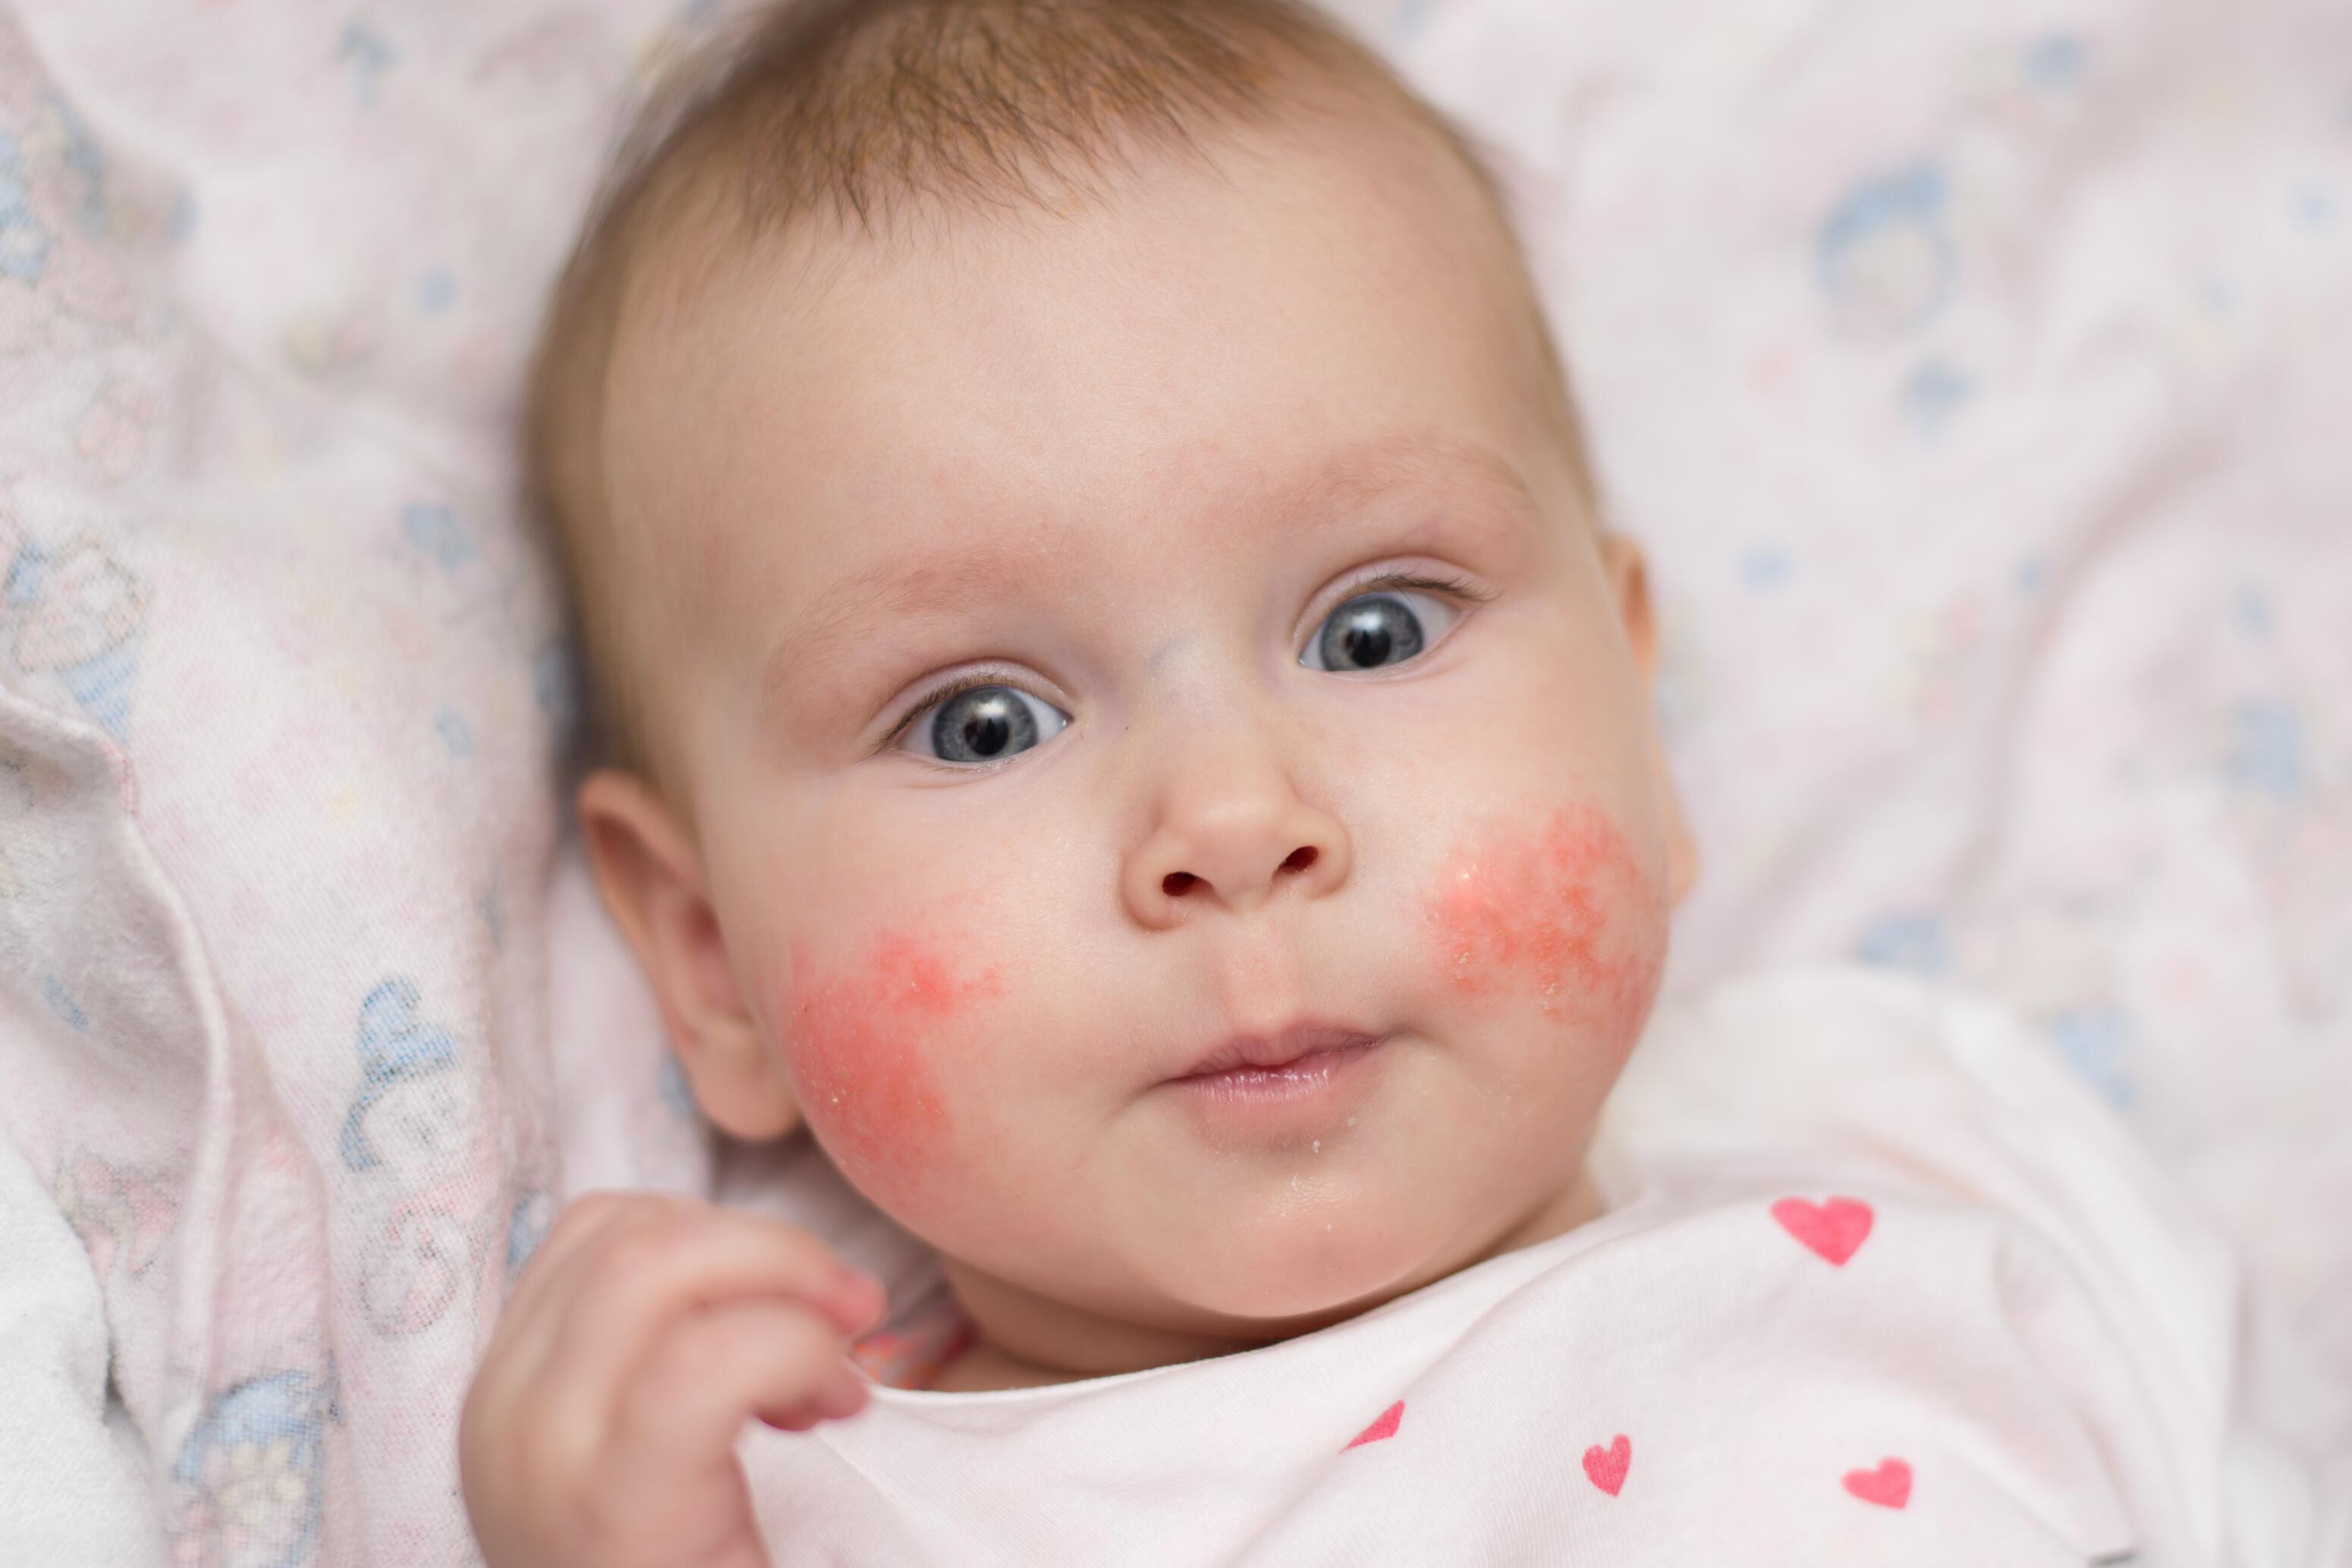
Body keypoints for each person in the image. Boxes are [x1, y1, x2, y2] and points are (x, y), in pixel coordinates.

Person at [459, 2, 2348, 1563]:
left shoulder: (1926, 1141)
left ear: (1637, 705)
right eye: (982, 720)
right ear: (710, 957)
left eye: (1372, 630)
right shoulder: (793, 1509)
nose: (1229, 820)